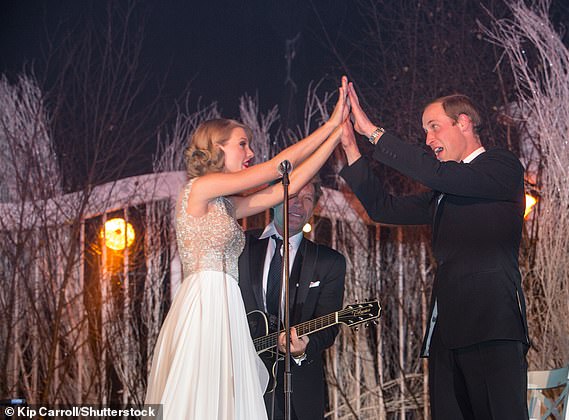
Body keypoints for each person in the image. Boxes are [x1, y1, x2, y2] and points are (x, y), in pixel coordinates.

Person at [144, 77, 349, 420]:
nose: (250, 152)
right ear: (216, 147)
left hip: (227, 309)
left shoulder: (225, 204)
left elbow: (290, 183)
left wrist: (336, 137)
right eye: (242, 144)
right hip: (206, 305)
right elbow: (276, 168)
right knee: (202, 398)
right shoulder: (201, 188)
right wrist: (329, 124)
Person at [338, 83, 530, 419]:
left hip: (492, 327)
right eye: (425, 131)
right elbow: (383, 208)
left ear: (464, 122)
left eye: (434, 126)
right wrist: (351, 148)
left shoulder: (502, 166)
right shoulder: (443, 192)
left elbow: (439, 174)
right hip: (446, 334)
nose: (427, 140)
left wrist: (372, 131)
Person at [238, 176, 346, 420]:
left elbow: (328, 328)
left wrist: (302, 350)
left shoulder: (329, 262)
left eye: (308, 199)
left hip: (298, 391)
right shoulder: (240, 246)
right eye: (293, 195)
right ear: (275, 199)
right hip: (240, 382)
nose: (299, 204)